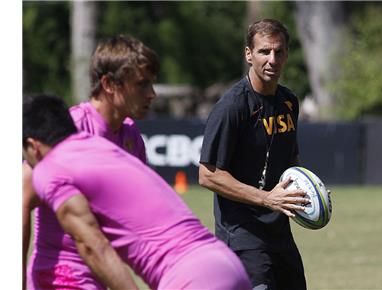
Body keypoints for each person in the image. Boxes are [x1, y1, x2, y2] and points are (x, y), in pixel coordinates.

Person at [23, 94, 252, 290]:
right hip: (226, 264)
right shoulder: (105, 147)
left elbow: (93, 246)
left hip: (189, 277)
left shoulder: (49, 167)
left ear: (33, 146)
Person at [22, 35, 158, 289]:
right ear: (108, 84)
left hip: (102, 272)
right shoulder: (68, 128)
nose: (152, 94)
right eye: (142, 84)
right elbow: (20, 198)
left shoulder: (130, 135)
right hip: (59, 275)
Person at [199, 19, 309, 290]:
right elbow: (208, 175)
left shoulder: (288, 101)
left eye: (279, 52)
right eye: (264, 51)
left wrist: (306, 191)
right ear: (249, 54)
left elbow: (290, 161)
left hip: (280, 235)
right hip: (243, 237)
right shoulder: (232, 107)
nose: (272, 59)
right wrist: (266, 198)